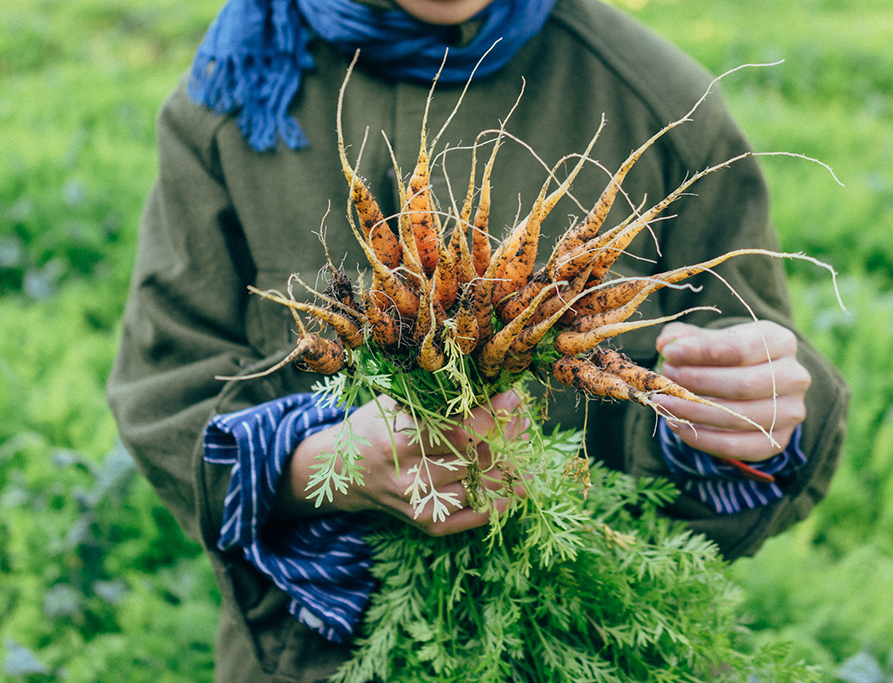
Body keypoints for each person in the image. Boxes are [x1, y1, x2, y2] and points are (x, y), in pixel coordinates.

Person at [106, 0, 850, 679]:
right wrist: (327, 461)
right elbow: (165, 390)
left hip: (587, 642)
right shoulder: (236, 97)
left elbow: (761, 368)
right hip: (315, 656)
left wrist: (751, 411)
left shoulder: (657, 98)